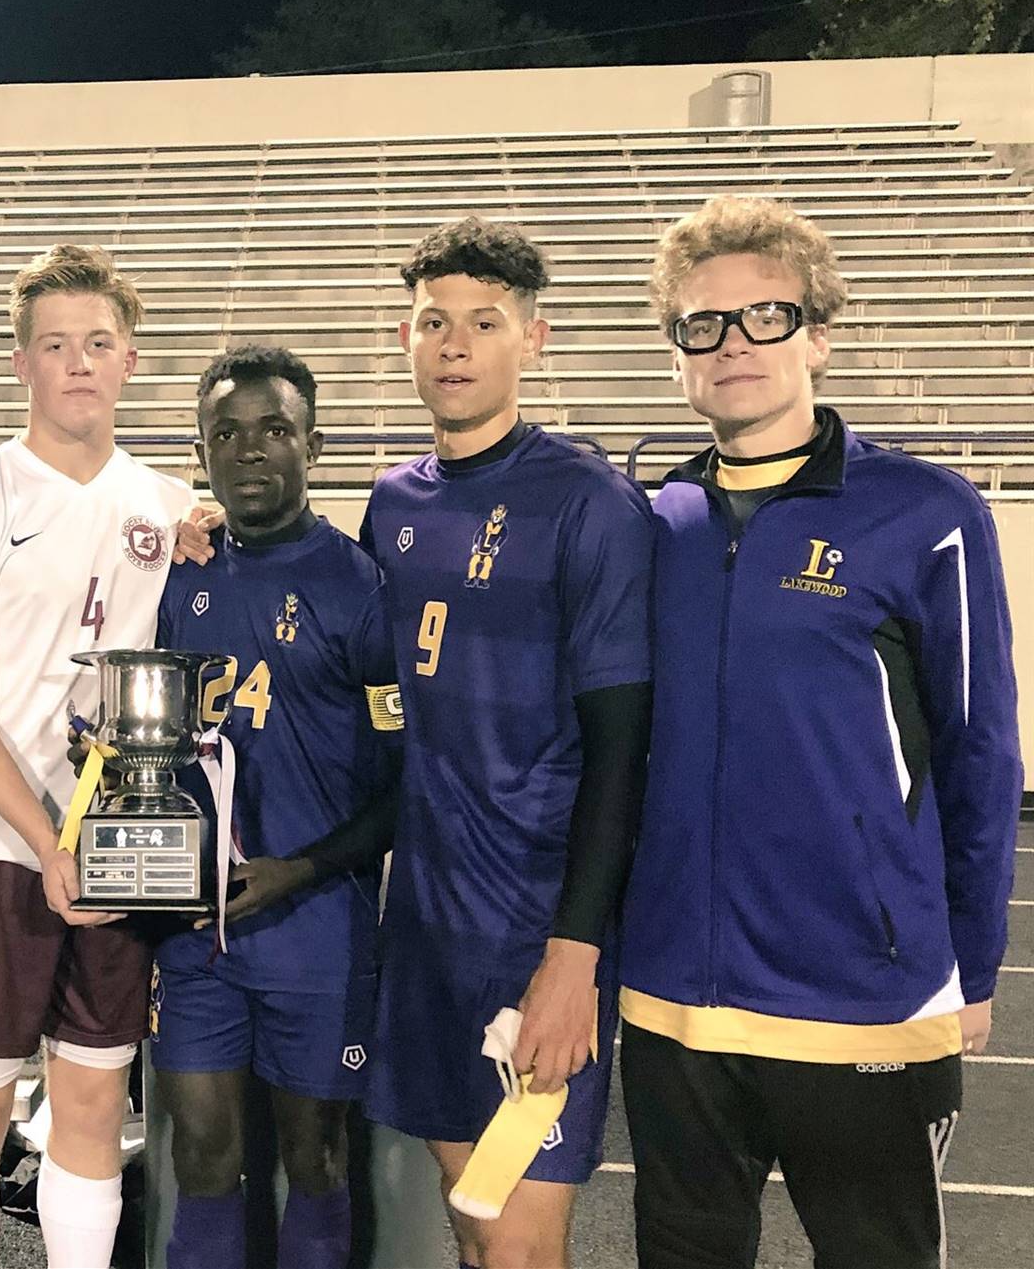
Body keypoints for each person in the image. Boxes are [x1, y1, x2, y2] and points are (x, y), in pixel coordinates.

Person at [618, 195, 1020, 1269]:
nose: (732, 344)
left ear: (819, 335)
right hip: (672, 1005)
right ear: (678, 356)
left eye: (765, 316)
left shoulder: (924, 511)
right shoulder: (650, 523)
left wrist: (972, 967)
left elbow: (981, 751)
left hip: (863, 996)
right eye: (702, 324)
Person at [356, 218, 656, 1269]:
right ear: (405, 335)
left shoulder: (591, 504)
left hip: (532, 929)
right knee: (473, 1216)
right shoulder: (392, 504)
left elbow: (623, 750)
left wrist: (573, 958)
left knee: (524, 1240)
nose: (454, 344)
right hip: (427, 921)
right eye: (435, 322)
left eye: (483, 323)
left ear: (534, 341)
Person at [0, 244, 198, 1268]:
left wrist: (90, 848)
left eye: (99, 343)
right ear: (22, 363)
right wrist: (44, 843)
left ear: (130, 360)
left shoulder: (170, 504)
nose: (79, 362)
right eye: (56, 344)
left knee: (93, 1099)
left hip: (122, 851)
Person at [149, 345, 403, 1269]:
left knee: (316, 1155)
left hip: (318, 928)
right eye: (226, 433)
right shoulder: (174, 577)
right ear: (201, 453)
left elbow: (404, 783)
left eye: (274, 430)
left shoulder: (363, 584)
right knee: (205, 1155)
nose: (250, 450)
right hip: (195, 930)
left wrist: (301, 867)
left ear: (314, 444)